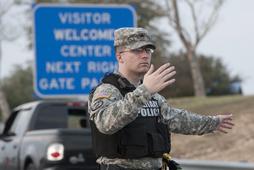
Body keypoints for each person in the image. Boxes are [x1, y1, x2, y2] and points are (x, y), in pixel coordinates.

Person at [88, 27, 234, 170]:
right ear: (120, 56)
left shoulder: (151, 94)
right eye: (137, 50)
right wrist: (145, 91)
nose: (145, 55)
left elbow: (177, 119)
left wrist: (213, 123)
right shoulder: (108, 90)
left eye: (147, 50)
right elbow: (105, 123)